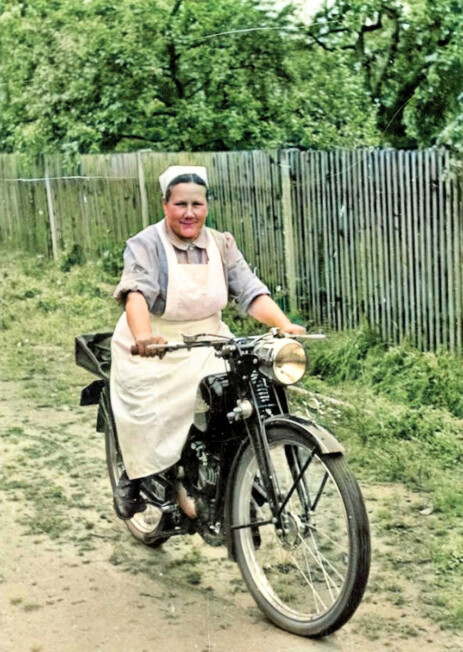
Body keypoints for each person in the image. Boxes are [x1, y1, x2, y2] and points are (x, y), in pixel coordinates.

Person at [110, 165, 305, 520]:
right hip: (157, 344)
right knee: (147, 412)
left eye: (196, 204)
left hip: (208, 339)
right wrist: (143, 336)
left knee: (235, 397)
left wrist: (283, 324)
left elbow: (250, 291)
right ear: (165, 205)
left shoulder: (221, 244)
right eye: (180, 204)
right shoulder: (147, 244)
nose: (189, 213)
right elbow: (135, 294)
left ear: (206, 206)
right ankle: (134, 474)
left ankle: (222, 473)